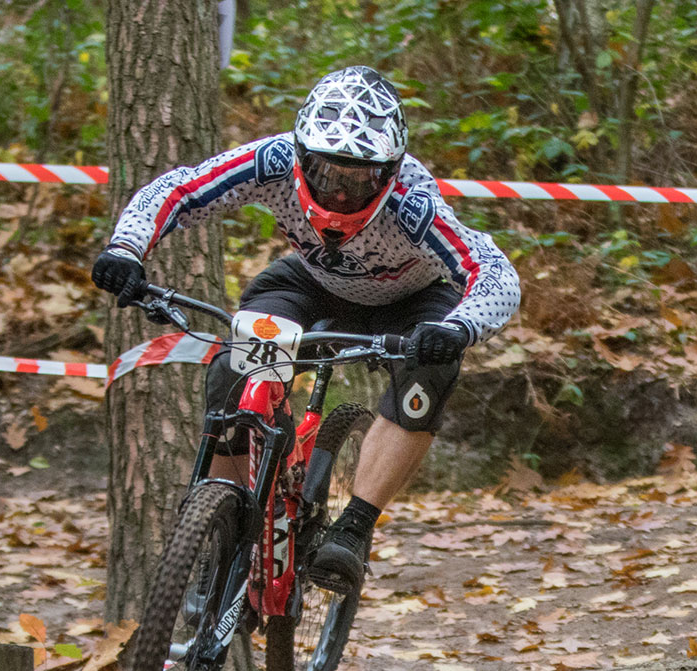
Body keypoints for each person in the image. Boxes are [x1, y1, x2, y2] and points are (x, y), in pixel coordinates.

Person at [91, 66, 521, 594]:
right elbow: (180, 188)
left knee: (428, 373)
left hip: (411, 301)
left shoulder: (414, 203)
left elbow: (494, 270)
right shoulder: (270, 162)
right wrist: (126, 248)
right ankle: (220, 526)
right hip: (309, 282)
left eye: (357, 178)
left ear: (387, 173)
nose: (338, 193)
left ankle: (355, 529)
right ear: (299, 155)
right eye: (324, 172)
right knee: (234, 364)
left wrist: (460, 327)